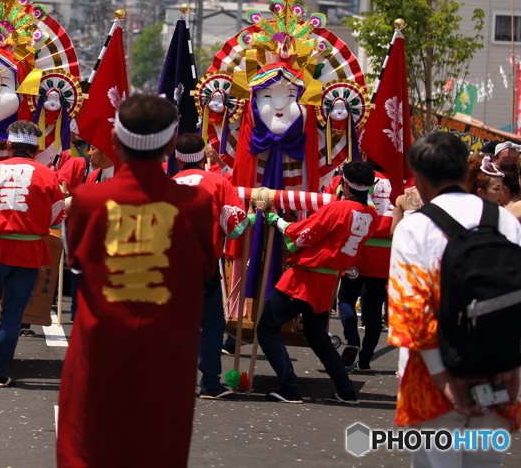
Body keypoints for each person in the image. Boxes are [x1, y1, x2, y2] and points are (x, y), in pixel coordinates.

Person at [57, 94, 215, 468]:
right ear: (170, 145)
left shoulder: (89, 199)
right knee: (158, 446)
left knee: (90, 445)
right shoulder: (195, 203)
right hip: (168, 353)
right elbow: (207, 269)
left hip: (101, 348)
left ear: (115, 142)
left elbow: (76, 259)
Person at [389, 131, 521, 468]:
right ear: (466, 172)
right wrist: (512, 365)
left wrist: (442, 377)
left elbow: (411, 310)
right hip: (499, 370)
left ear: (417, 179)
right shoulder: (505, 219)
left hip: (432, 376)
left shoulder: (414, 226)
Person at [255, 160, 379, 404]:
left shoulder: (339, 208)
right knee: (316, 335)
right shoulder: (372, 215)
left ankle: (290, 388)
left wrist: (276, 219)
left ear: (345, 183)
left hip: (304, 276)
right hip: (327, 280)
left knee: (266, 328)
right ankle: (346, 391)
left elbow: (302, 236)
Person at [0, 120, 65, 388]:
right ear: (35, 147)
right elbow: (56, 221)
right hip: (28, 252)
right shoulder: (48, 175)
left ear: (8, 144)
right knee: (12, 317)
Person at [172, 133, 249, 399]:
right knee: (212, 324)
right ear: (204, 155)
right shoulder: (218, 183)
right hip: (202, 264)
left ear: (178, 157)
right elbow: (236, 228)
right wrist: (251, 216)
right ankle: (209, 383)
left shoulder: (167, 184)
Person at [335, 157, 394, 371]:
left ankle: (352, 338)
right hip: (384, 251)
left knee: (346, 298)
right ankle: (366, 360)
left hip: (357, 243)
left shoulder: (354, 177)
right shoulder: (397, 182)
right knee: (374, 308)